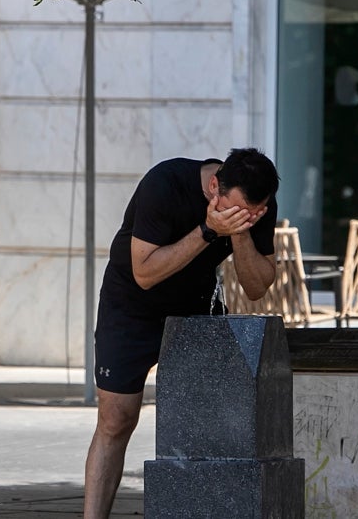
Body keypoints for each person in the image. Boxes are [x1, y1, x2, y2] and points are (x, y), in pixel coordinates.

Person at [82, 148, 279, 518]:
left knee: (207, 420)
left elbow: (257, 286)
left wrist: (238, 235)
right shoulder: (165, 183)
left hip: (194, 307)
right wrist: (208, 231)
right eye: (236, 211)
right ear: (214, 186)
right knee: (116, 418)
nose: (246, 218)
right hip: (131, 305)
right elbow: (144, 272)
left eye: (252, 214)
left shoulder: (255, 204)